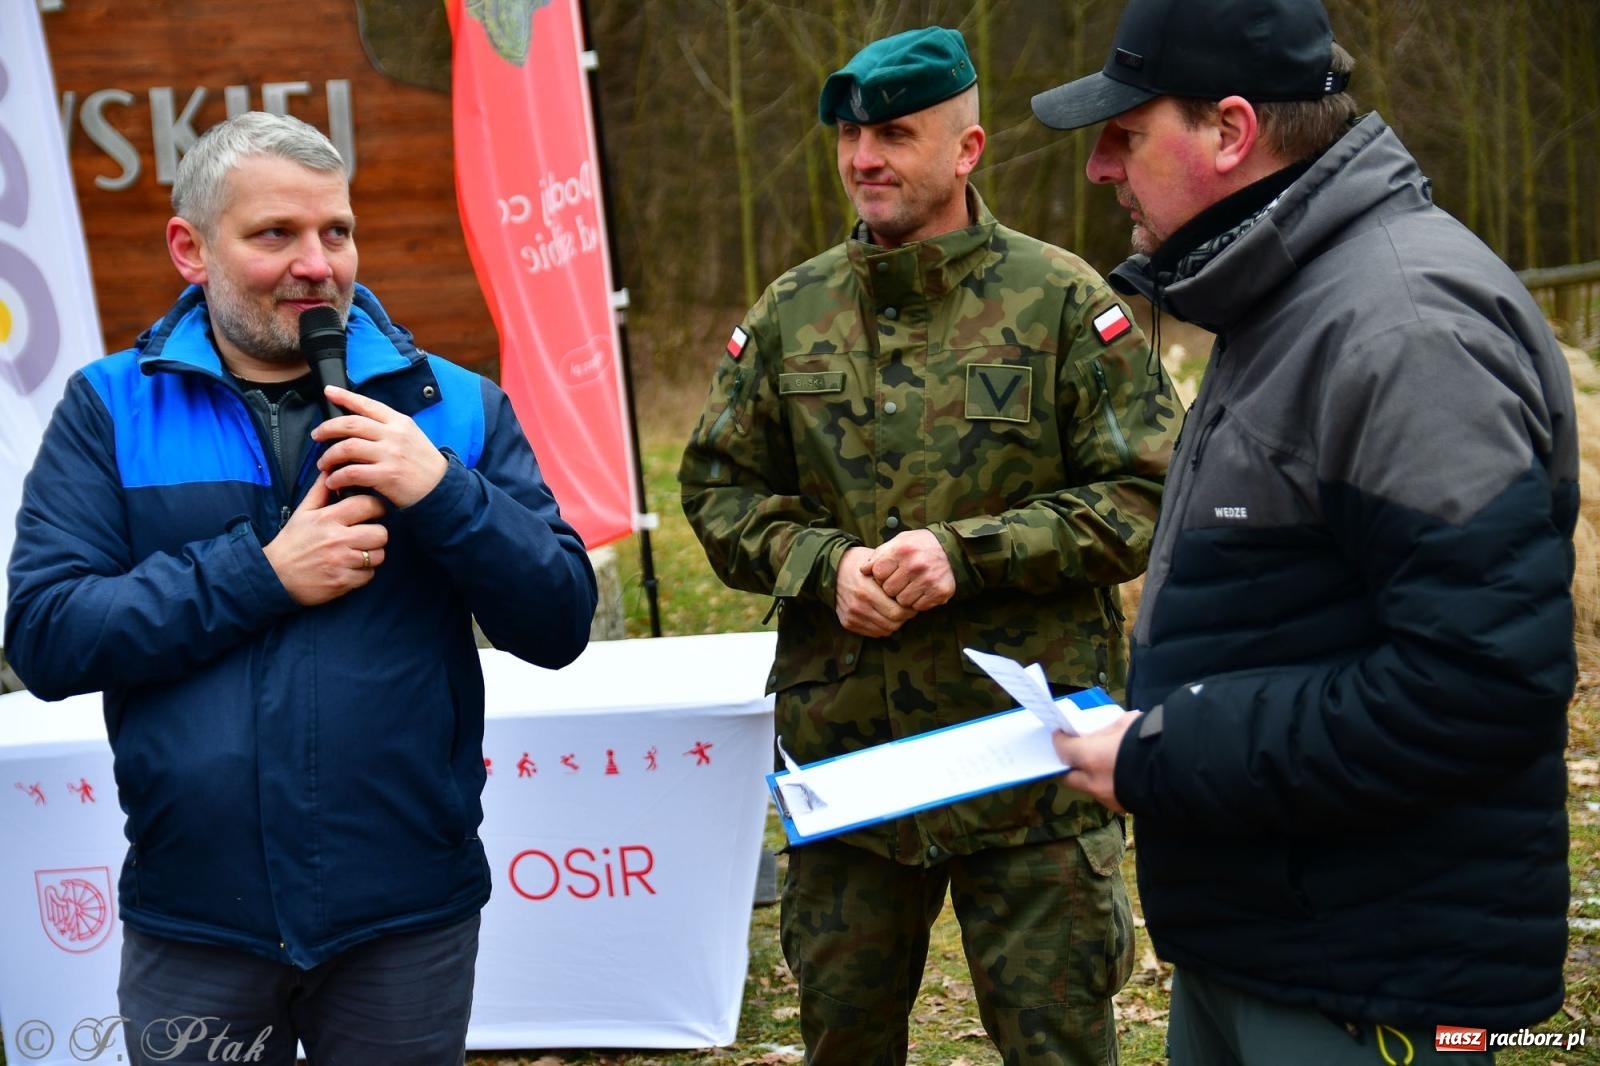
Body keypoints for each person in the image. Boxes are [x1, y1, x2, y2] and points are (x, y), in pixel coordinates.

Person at [1033, 0, 1578, 1061]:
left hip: (1374, 980)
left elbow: (1472, 689)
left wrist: (1158, 750)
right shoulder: (1284, 299)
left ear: (1230, 132)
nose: (1101, 169)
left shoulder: (1406, 330)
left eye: (1126, 134)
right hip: (1267, 943)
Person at [4, 112, 597, 1065]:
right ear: (190, 249)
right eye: (276, 234)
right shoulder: (110, 408)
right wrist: (261, 574)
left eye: (337, 231)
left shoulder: (456, 406)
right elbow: (45, 633)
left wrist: (445, 493)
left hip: (405, 919)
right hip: (194, 923)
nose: (317, 263)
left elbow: (562, 618)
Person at [680, 27, 1180, 1065]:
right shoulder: (790, 314)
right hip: (853, 766)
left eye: (895, 134)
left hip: (1032, 765)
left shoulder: (1061, 305)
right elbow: (718, 489)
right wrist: (826, 566)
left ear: (967, 149)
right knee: (845, 1042)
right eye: (849, 135)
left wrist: (972, 553)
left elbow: (1143, 495)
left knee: (1059, 1046)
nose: (864, 157)